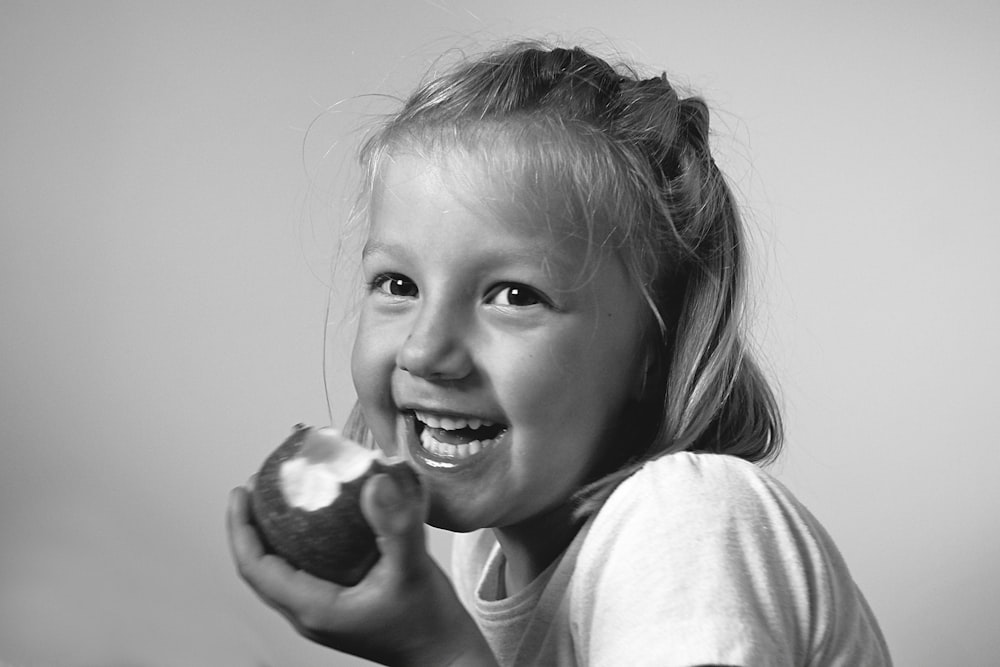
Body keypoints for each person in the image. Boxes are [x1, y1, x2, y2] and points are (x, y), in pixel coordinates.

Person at [227, 41, 893, 666]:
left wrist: (439, 649)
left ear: (653, 352)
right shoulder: (485, 551)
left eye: (514, 295)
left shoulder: (684, 521)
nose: (427, 350)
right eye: (398, 285)